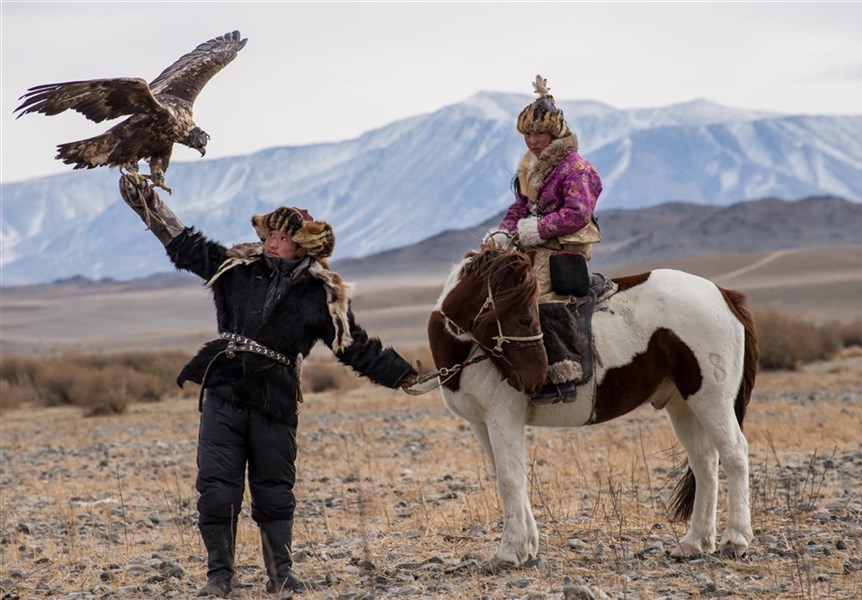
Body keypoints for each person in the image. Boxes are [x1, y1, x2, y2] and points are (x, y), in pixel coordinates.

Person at [118, 175, 417, 598]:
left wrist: (402, 374)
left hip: (275, 398)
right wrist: (149, 207)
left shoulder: (321, 294)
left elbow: (353, 345)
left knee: (275, 490)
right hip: (224, 388)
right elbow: (188, 247)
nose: (272, 242)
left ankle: (281, 574)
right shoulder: (236, 269)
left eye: (282, 237)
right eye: (269, 234)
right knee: (217, 489)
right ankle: (219, 576)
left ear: (304, 246)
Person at [484, 74, 603, 404]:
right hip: (535, 243)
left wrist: (535, 229)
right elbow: (520, 206)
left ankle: (564, 376)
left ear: (555, 132)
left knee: (540, 293)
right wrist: (502, 234)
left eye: (539, 133)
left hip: (565, 246)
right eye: (528, 134)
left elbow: (578, 213)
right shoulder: (531, 166)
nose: (534, 141)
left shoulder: (575, 166)